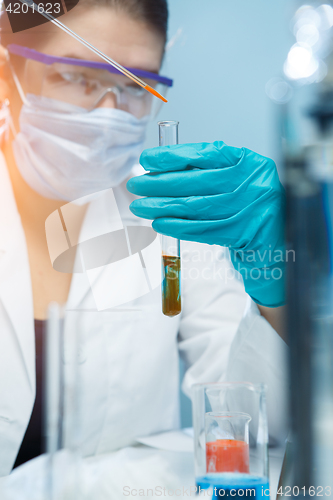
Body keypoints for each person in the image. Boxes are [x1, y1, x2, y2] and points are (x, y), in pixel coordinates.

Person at [0, 0, 287, 489]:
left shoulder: (169, 219)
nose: (110, 113)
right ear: (9, 71)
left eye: (135, 86)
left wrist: (281, 287)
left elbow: (257, 427)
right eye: (80, 77)